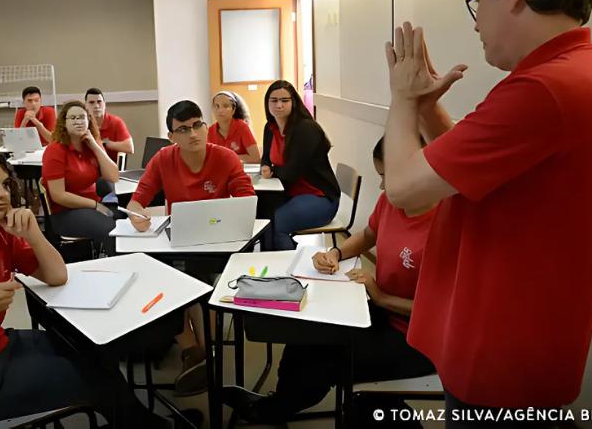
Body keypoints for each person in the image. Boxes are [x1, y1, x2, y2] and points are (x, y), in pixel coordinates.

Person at [383, 0, 592, 427]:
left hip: (503, 363)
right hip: (513, 347)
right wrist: (427, 109)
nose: (476, 26)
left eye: (478, 3)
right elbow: (470, 168)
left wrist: (404, 97)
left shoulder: (546, 88)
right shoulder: (567, 73)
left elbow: (404, 188)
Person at [0, 148, 172, 428]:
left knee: (91, 350)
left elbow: (57, 276)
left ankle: (139, 422)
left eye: (5, 184)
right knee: (84, 376)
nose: (2, 194)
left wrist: (32, 231)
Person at [223, 136, 435, 426]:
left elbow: (447, 314)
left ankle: (276, 409)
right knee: (308, 333)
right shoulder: (392, 202)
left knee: (324, 359)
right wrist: (335, 252)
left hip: (418, 340)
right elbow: (368, 236)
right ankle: (279, 404)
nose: (383, 187)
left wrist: (381, 296)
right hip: (380, 315)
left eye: (388, 177)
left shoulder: (445, 226)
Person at [126, 100, 254, 396]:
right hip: (177, 239)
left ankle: (200, 352)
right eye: (183, 129)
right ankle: (195, 352)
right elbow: (138, 199)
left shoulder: (225, 157)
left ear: (205, 126)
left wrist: (230, 215)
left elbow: (246, 200)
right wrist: (136, 216)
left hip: (218, 240)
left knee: (198, 282)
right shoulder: (163, 159)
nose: (193, 133)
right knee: (162, 281)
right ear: (172, 136)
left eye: (197, 125)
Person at [260, 80, 340, 250]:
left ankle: (286, 268)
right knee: (262, 212)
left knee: (279, 220)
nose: (278, 105)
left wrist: (273, 171)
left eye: (284, 100)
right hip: (290, 192)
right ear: (267, 103)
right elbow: (266, 156)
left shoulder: (305, 129)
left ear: (293, 102)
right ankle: (267, 261)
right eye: (273, 100)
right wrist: (265, 166)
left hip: (319, 197)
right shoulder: (270, 127)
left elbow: (292, 171)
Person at [41, 101, 120, 256]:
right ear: (64, 123)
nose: (78, 121)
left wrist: (95, 146)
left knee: (126, 222)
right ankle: (118, 269)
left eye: (82, 117)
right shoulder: (55, 150)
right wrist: (95, 205)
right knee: (112, 230)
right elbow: (59, 196)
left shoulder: (90, 144)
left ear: (89, 120)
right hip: (65, 212)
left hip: (91, 205)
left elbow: (113, 176)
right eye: (73, 118)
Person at [207, 90, 260, 163]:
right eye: (217, 106)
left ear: (233, 110)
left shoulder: (242, 127)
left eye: (225, 106)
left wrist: (227, 156)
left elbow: (256, 158)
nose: (220, 110)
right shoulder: (210, 130)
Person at [84, 87, 134, 163]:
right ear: (86, 106)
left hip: (111, 167)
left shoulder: (116, 122)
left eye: (99, 102)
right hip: (89, 166)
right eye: (91, 102)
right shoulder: (82, 123)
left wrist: (105, 144)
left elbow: (130, 148)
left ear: (104, 104)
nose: (96, 106)